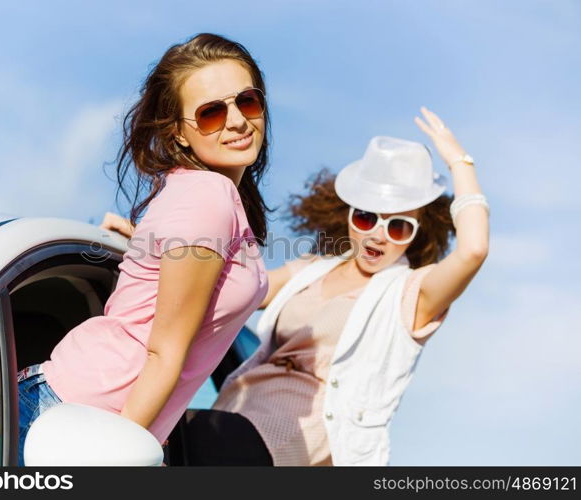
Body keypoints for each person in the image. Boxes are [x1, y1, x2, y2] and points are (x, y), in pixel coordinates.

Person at [0, 32, 271, 466]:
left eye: (247, 101)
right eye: (211, 112)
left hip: (71, 416)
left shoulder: (201, 198)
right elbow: (164, 351)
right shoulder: (208, 196)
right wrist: (124, 453)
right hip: (72, 423)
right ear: (179, 134)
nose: (237, 120)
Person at [172, 108, 490, 466]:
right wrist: (159, 246)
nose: (377, 235)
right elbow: (231, 289)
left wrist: (461, 164)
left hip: (303, 437)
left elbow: (473, 250)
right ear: (349, 215)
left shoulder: (410, 296)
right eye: (367, 217)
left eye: (398, 226)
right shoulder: (311, 270)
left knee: (188, 438)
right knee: (162, 438)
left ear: (417, 235)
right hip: (238, 410)